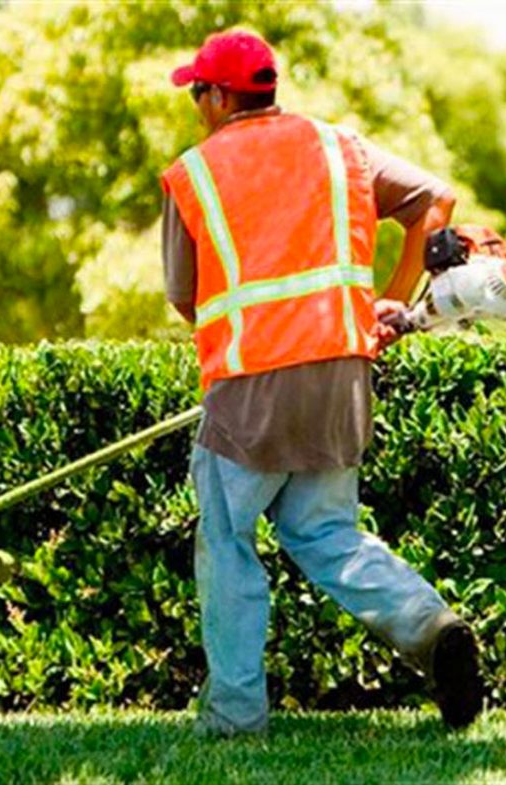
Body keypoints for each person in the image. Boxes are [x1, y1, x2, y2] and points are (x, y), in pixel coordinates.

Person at [160, 29, 484, 737]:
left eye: (197, 93)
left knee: (227, 541)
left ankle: (234, 716)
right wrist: (383, 303)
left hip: (248, 391)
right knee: (327, 531)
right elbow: (437, 198)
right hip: (342, 375)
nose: (196, 105)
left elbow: (186, 298)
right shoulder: (341, 147)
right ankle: (431, 627)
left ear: (218, 97)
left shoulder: (195, 174)